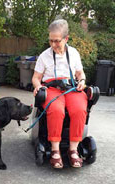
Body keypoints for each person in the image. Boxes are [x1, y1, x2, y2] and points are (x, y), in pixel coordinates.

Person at [32, 19, 87, 169]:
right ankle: (55, 150)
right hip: (52, 88)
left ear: (66, 38)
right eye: (51, 40)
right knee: (56, 110)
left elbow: (80, 73)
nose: (53, 44)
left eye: (57, 41)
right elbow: (36, 78)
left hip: (70, 87)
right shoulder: (44, 56)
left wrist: (82, 80)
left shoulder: (74, 53)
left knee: (80, 110)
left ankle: (73, 150)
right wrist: (38, 87)